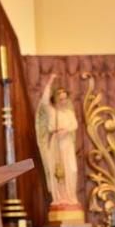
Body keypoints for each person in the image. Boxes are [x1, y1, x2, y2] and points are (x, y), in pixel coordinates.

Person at [35, 73, 80, 206]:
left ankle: (71, 197)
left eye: (65, 99)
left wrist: (66, 131)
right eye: (60, 99)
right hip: (56, 144)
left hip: (67, 144)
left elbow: (74, 125)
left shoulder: (69, 113)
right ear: (56, 100)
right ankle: (60, 198)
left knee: (71, 169)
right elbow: (43, 101)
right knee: (57, 169)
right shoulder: (52, 112)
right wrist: (50, 82)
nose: (63, 101)